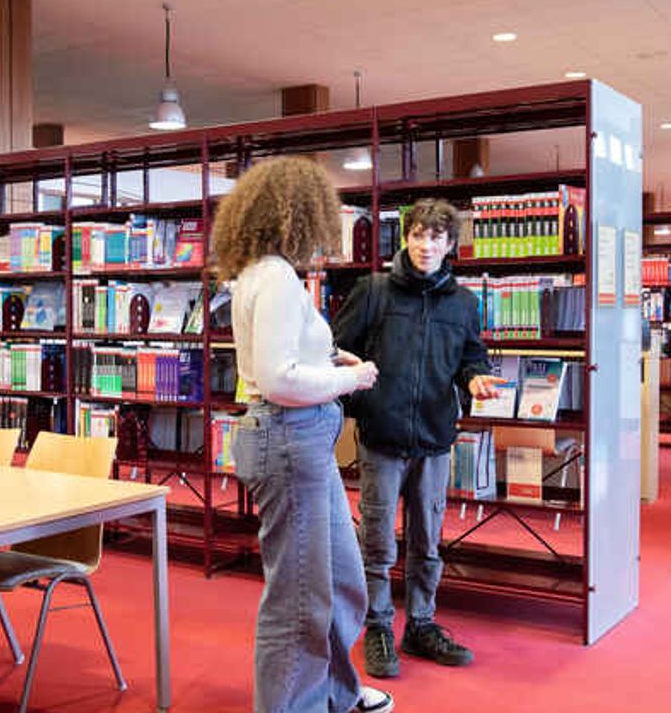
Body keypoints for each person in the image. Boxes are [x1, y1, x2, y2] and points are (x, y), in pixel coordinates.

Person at [214, 156, 393, 713]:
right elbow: (275, 377)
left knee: (340, 579)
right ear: (297, 215)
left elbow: (283, 354)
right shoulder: (275, 278)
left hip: (298, 442)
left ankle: (334, 690)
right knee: (298, 596)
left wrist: (326, 353)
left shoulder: (263, 274)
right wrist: (351, 377)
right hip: (289, 440)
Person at [333, 198, 503, 679]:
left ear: (450, 245)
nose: (426, 245)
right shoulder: (374, 292)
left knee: (427, 542)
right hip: (382, 437)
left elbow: (473, 356)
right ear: (405, 238)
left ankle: (421, 624)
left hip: (434, 438)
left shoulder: (465, 303)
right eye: (418, 235)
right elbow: (338, 352)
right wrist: (359, 392)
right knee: (378, 542)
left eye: (436, 237)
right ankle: (379, 627)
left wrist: (475, 378)